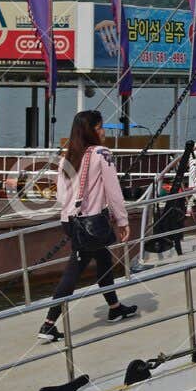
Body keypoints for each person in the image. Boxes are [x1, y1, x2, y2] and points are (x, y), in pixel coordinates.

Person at [37, 110, 136, 342]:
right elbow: (113, 190)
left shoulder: (67, 156)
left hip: (70, 221)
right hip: (90, 223)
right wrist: (122, 220)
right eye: (100, 127)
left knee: (103, 260)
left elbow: (62, 196)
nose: (103, 131)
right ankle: (48, 324)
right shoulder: (102, 154)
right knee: (74, 270)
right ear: (91, 130)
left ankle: (114, 307)